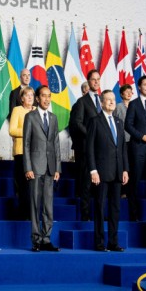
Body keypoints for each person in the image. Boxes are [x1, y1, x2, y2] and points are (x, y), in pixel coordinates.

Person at [87, 90, 129, 252]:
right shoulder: (95, 121)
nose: (112, 102)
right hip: (101, 173)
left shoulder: (119, 122)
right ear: (102, 103)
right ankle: (99, 243)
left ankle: (113, 242)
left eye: (113, 99)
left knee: (115, 209)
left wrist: (125, 169)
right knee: (99, 207)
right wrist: (93, 170)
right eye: (108, 100)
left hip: (118, 172)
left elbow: (123, 148)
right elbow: (89, 148)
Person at [23, 86, 61, 252]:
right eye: (43, 96)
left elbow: (56, 144)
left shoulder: (53, 118)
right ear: (37, 99)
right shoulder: (30, 117)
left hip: (50, 168)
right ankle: (36, 240)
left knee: (48, 206)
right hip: (35, 168)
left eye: (49, 96)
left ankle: (46, 239)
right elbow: (26, 144)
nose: (46, 99)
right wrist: (28, 167)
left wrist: (58, 168)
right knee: (35, 206)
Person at [125, 75, 146, 222]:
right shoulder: (133, 104)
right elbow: (128, 125)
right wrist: (142, 137)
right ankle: (134, 216)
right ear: (139, 87)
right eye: (144, 85)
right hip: (138, 149)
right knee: (134, 183)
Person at [68, 69, 101, 221]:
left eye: (98, 79)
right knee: (86, 184)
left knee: (101, 184)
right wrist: (91, 134)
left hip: (101, 150)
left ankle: (100, 214)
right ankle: (85, 215)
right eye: (93, 79)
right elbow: (77, 122)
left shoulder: (103, 100)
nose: (96, 82)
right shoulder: (82, 102)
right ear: (88, 82)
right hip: (87, 148)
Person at [9, 86, 35, 220]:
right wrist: (29, 133)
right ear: (22, 98)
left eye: (32, 95)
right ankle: (23, 214)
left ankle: (33, 214)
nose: (30, 97)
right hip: (21, 153)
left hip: (35, 153)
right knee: (22, 185)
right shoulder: (17, 110)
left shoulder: (37, 111)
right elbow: (12, 130)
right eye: (27, 95)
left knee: (34, 186)